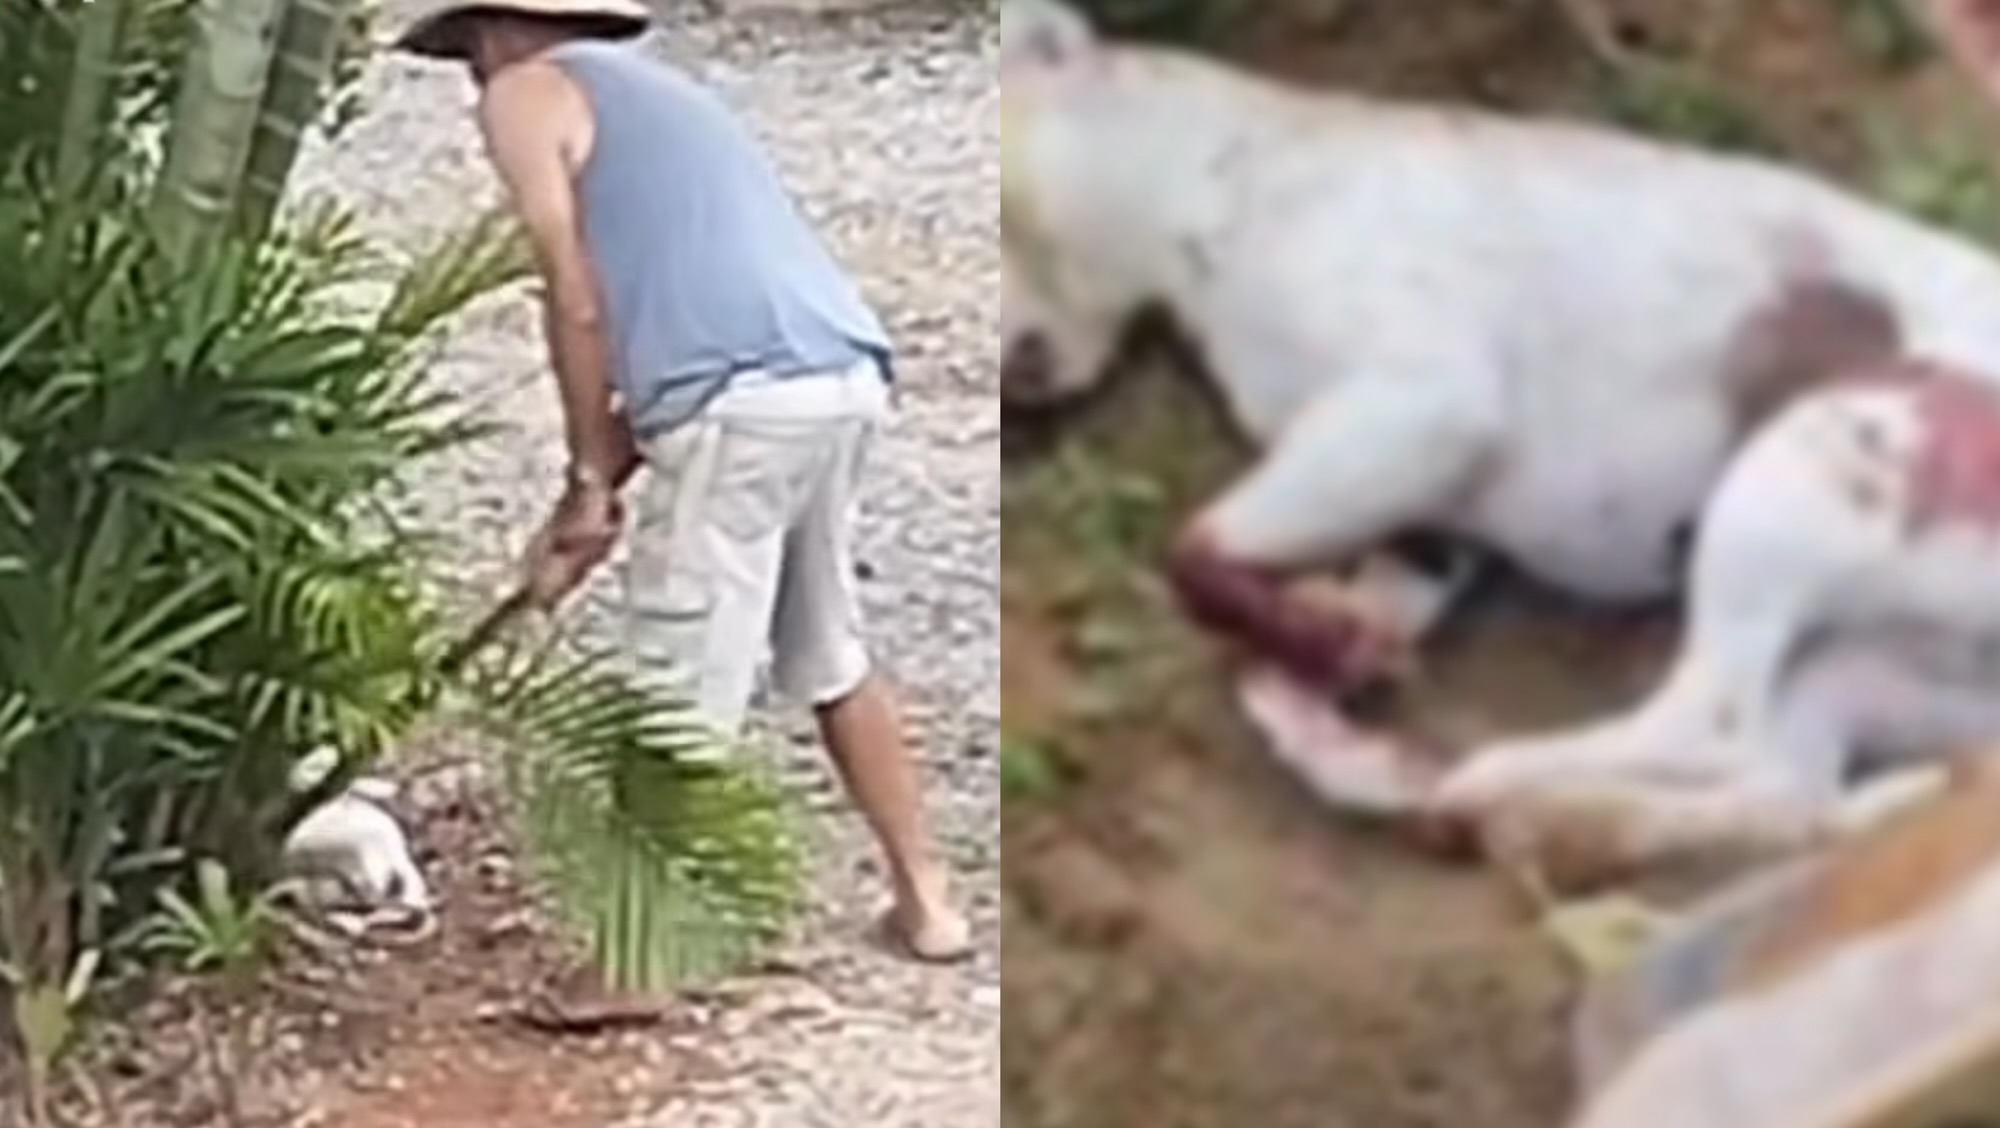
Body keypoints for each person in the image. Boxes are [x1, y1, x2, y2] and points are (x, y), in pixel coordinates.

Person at [387, 0, 970, 978]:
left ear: (489, 34)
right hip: (835, 377)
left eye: (464, 60)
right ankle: (927, 902)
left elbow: (573, 296)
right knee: (828, 648)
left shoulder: (525, 94)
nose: (470, 83)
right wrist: (590, 494)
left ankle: (637, 968)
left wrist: (583, 477)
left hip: (736, 401)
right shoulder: (666, 99)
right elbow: (691, 318)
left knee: (670, 679)